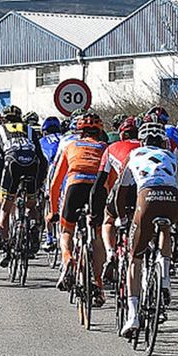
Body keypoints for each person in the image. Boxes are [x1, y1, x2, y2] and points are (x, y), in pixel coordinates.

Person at [115, 121, 178, 337]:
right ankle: (164, 277)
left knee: (135, 258)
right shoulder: (172, 156)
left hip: (147, 199)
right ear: (163, 140)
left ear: (142, 140)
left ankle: (133, 316)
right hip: (173, 200)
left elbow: (120, 193)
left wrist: (123, 218)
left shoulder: (134, 155)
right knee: (165, 228)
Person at [49, 112, 108, 295]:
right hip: (97, 190)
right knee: (98, 236)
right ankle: (98, 283)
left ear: (79, 131)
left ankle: (67, 258)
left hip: (75, 186)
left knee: (67, 230)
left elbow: (55, 183)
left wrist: (53, 211)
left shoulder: (71, 145)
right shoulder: (105, 148)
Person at [0, 105, 44, 267]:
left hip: (12, 163)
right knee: (31, 206)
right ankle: (33, 227)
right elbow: (41, 158)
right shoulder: (30, 129)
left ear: (4, 119)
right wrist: (39, 183)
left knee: (5, 209)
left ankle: (7, 248)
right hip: (32, 163)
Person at [90, 117, 141, 286]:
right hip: (142, 190)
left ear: (121, 134)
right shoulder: (144, 147)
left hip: (122, 189)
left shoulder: (111, 148)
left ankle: (110, 252)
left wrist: (94, 210)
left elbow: (99, 182)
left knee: (108, 220)